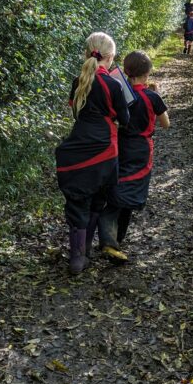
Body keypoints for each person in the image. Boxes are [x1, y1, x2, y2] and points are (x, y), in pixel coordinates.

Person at [55, 32, 129, 275]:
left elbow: (76, 113)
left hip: (78, 146)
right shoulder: (114, 84)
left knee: (77, 201)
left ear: (88, 54)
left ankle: (77, 257)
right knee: (99, 199)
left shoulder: (79, 81)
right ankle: (85, 251)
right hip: (105, 149)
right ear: (110, 57)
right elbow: (124, 119)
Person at [98, 50, 170, 253]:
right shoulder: (152, 96)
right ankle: (113, 240)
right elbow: (166, 124)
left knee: (116, 187)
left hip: (119, 145)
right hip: (141, 150)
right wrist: (157, 95)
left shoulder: (119, 91)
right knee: (130, 193)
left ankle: (111, 240)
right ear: (147, 73)